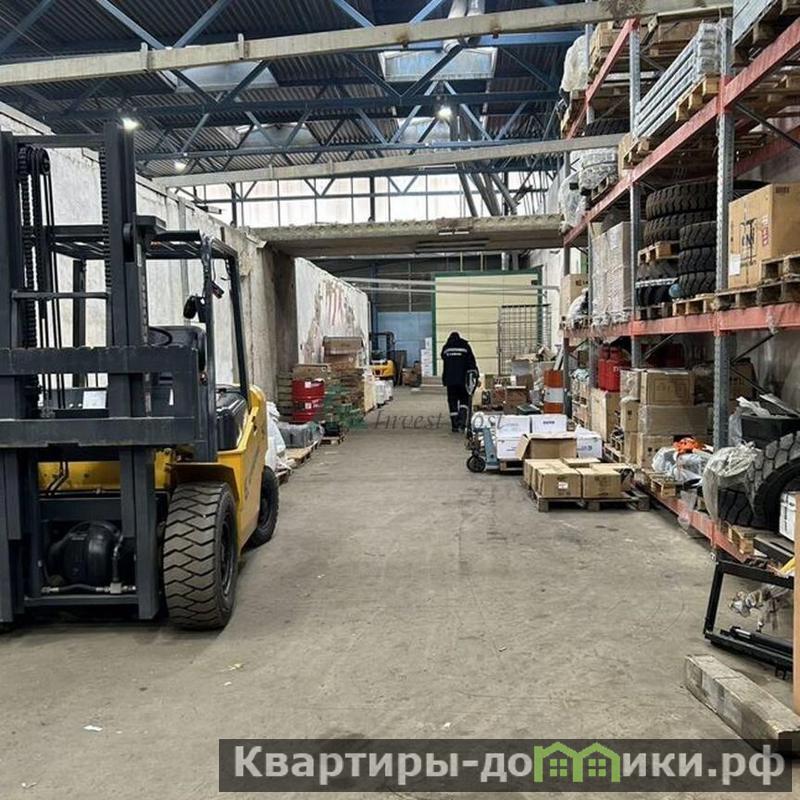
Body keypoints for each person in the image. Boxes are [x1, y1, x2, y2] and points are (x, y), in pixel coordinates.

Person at [440, 331, 477, 433]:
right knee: (464, 400)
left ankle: (454, 425)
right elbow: (471, 362)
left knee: (452, 401)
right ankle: (462, 421)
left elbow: (443, 358)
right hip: (463, 379)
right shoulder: (465, 346)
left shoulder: (446, 348)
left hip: (450, 380)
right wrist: (475, 374)